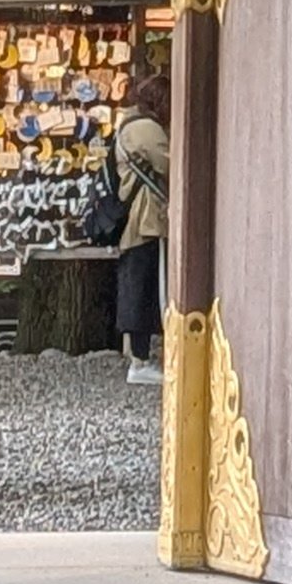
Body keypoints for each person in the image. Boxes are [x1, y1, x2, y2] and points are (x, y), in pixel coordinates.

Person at [110, 87, 170, 381]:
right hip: (145, 219)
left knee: (139, 284)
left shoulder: (128, 126)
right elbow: (170, 164)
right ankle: (140, 360)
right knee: (146, 287)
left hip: (137, 218)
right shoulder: (146, 129)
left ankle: (141, 357)